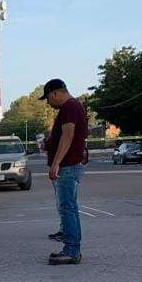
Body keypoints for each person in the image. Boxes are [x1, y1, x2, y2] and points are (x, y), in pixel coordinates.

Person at [40, 79, 88, 266]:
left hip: (68, 166)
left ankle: (71, 250)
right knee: (70, 208)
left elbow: (68, 135)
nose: (48, 103)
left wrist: (56, 163)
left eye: (48, 99)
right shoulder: (75, 106)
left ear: (55, 93)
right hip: (71, 164)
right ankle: (73, 247)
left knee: (67, 208)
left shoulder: (69, 107)